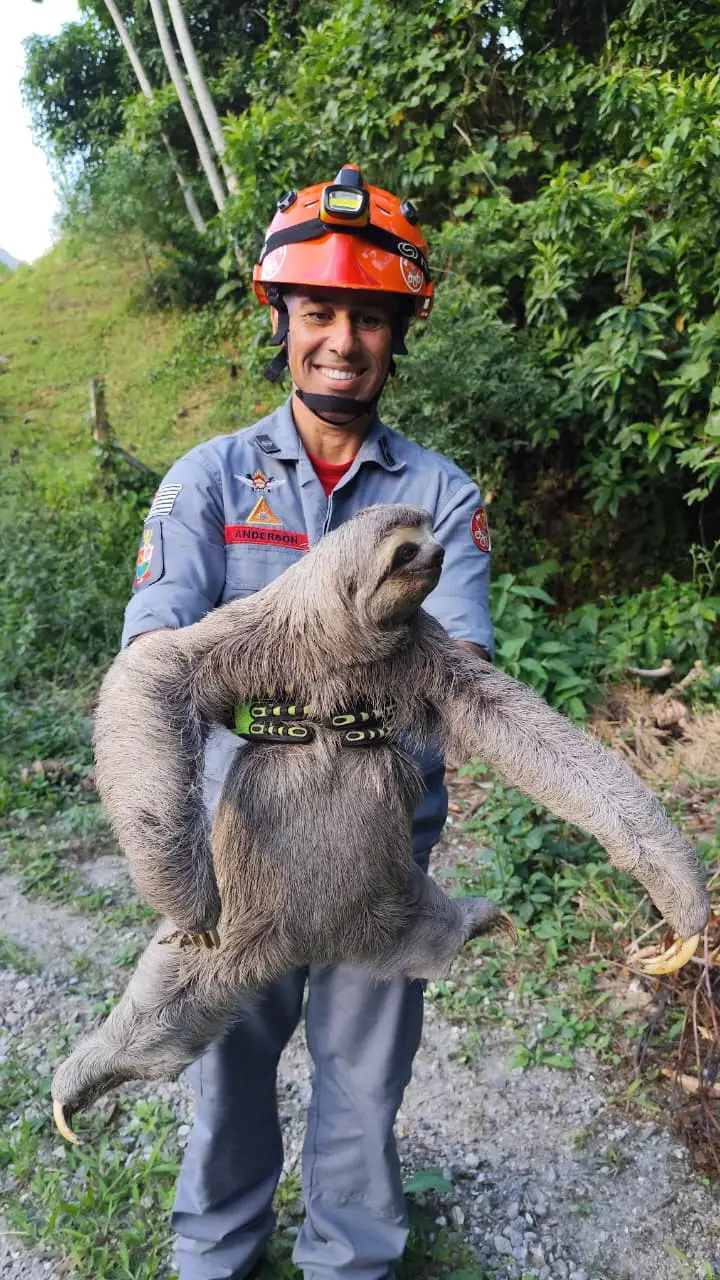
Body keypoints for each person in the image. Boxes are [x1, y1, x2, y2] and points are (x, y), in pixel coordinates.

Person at [121, 165, 494, 1280]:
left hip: (384, 866)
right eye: (320, 312)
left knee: (364, 1093)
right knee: (224, 1081)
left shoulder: (441, 498)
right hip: (245, 867)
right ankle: (216, 1257)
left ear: (397, 334)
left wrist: (248, 677)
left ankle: (349, 1261)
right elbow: (155, 661)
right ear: (279, 321)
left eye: (369, 318)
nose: (343, 340)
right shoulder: (207, 484)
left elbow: (461, 676)